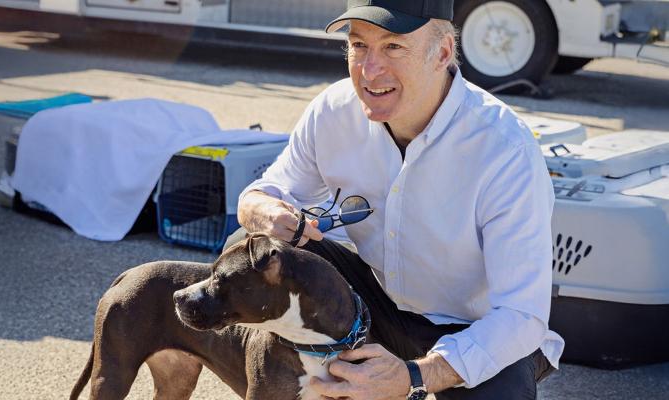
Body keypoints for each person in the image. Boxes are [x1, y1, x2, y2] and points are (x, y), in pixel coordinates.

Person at [233, 1, 564, 398]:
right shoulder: (333, 110)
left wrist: (414, 376)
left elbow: (521, 315)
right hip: (375, 304)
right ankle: (288, 381)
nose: (370, 70)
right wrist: (264, 212)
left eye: (393, 47)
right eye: (358, 46)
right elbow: (263, 194)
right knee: (252, 248)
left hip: (474, 327)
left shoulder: (504, 148)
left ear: (442, 52)